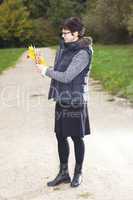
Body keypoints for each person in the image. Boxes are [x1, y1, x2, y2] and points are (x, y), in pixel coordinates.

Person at [36, 17, 93, 187]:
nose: (63, 36)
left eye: (66, 33)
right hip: (62, 98)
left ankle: (78, 173)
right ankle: (63, 173)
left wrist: (46, 71)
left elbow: (68, 77)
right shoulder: (63, 48)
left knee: (76, 137)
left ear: (76, 34)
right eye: (62, 32)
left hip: (75, 100)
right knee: (60, 136)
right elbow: (60, 71)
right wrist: (43, 66)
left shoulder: (83, 52)